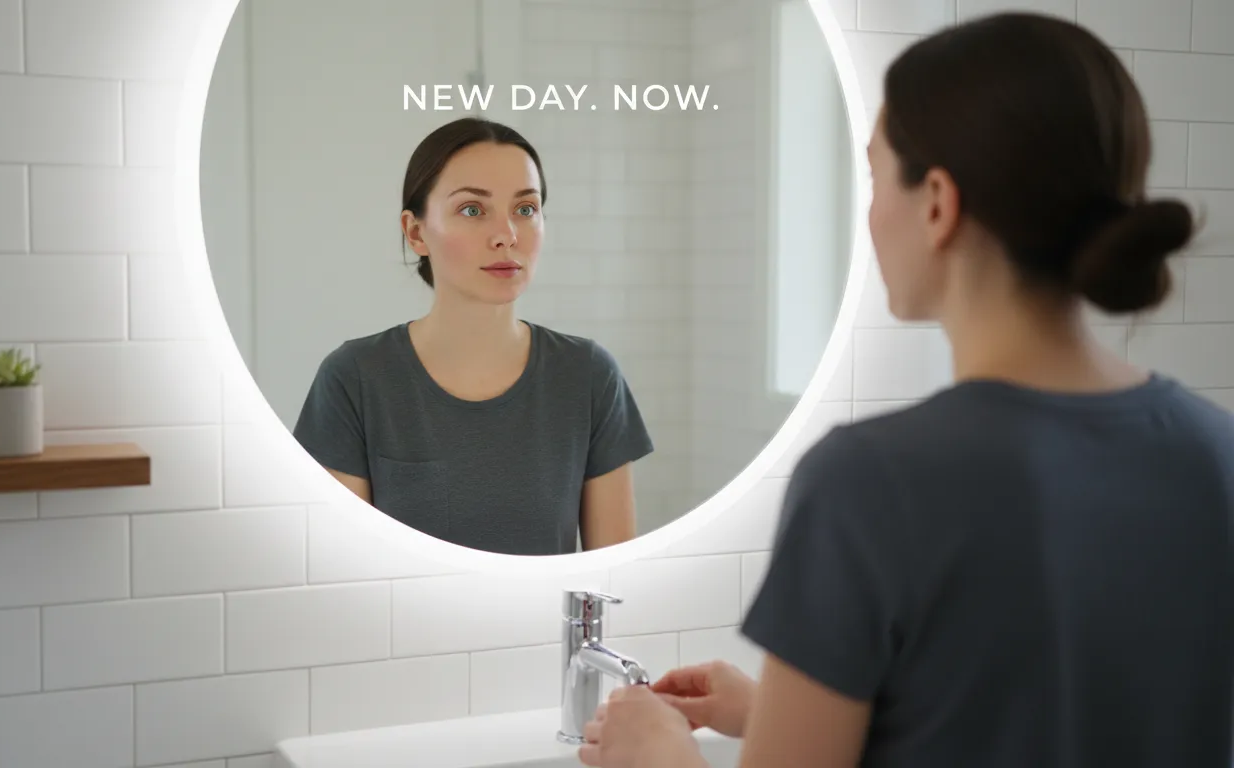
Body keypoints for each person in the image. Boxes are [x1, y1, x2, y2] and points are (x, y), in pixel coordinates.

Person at [577, 12, 1233, 768]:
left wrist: (658, 754)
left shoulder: (869, 481)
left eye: (874, 174)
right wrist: (773, 713)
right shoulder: (1215, 452)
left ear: (937, 203)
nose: (871, 211)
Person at [292, 116, 654, 557]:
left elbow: (610, 576)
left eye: (525, 209)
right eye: (472, 210)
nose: (507, 235)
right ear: (416, 232)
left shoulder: (589, 377)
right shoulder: (354, 379)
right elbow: (340, 572)